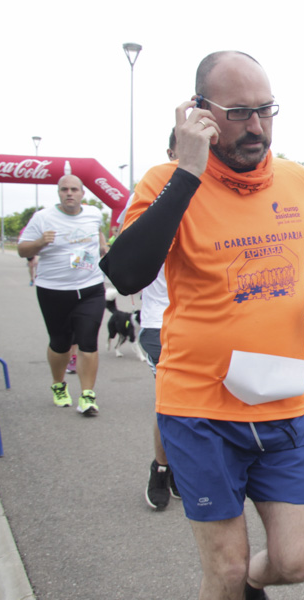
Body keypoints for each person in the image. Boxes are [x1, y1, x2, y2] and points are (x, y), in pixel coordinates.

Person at [100, 51, 304, 600]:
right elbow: (125, 273)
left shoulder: (297, 181)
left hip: (283, 403)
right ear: (200, 113)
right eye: (239, 113)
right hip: (200, 409)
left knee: (297, 560)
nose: (257, 127)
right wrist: (190, 171)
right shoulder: (166, 181)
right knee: (223, 569)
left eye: (266, 110)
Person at [18, 174, 109, 416]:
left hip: (90, 288)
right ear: (59, 193)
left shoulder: (94, 214)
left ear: (82, 193)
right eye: (64, 189)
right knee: (60, 343)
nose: (69, 193)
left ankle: (87, 396)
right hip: (54, 290)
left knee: (88, 341)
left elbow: (96, 232)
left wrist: (102, 245)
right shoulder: (43, 217)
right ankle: (59, 385)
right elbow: (21, 249)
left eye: (74, 189)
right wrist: (39, 242)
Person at [140, 128, 179, 510]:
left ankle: (184, 467)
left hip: (208, 323)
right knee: (172, 401)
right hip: (158, 321)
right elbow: (128, 267)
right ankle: (162, 468)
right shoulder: (153, 194)